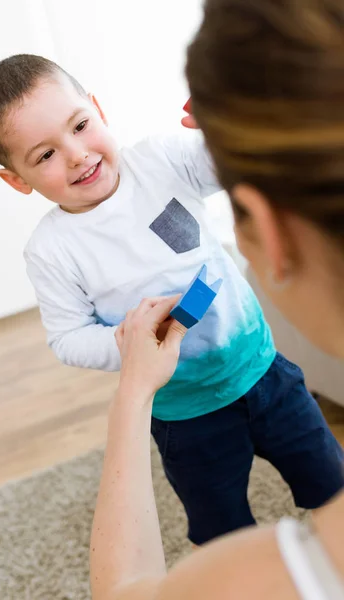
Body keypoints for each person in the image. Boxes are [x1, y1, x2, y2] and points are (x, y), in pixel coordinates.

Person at [0, 53, 343, 549]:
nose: (78, 154)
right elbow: (67, 338)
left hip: (262, 370)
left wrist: (226, 127)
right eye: (45, 156)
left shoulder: (161, 161)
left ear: (97, 109)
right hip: (185, 415)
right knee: (221, 532)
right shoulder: (52, 251)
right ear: (17, 180)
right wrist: (129, 342)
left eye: (81, 126)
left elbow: (229, 165)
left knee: (331, 482)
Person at [89, 0, 344, 599]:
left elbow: (125, 589)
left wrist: (133, 392)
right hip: (192, 416)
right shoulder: (55, 251)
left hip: (249, 375)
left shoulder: (292, 575)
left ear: (267, 234)